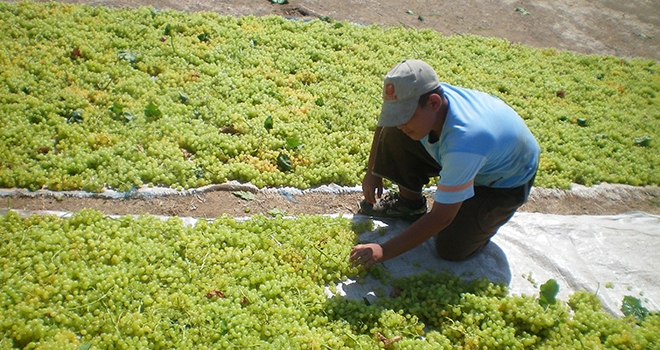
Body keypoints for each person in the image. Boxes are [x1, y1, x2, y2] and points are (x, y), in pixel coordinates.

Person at [349, 59, 540, 269]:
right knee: (397, 132)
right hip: (469, 156)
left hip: (503, 181)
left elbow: (441, 218)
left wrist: (383, 250)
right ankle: (410, 205)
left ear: (433, 103)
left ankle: (480, 214)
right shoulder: (425, 99)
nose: (400, 121)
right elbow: (386, 123)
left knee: (451, 249)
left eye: (405, 115)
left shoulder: (465, 142)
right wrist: (372, 171)